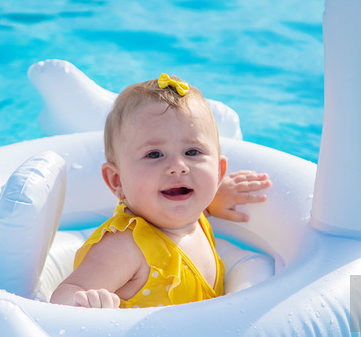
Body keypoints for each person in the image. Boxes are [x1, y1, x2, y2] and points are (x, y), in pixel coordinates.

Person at [50, 74, 270, 308]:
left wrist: (215, 201)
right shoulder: (125, 247)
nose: (177, 167)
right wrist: (84, 302)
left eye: (193, 152)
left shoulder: (190, 219)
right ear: (117, 181)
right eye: (154, 154)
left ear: (218, 171)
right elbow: (67, 293)